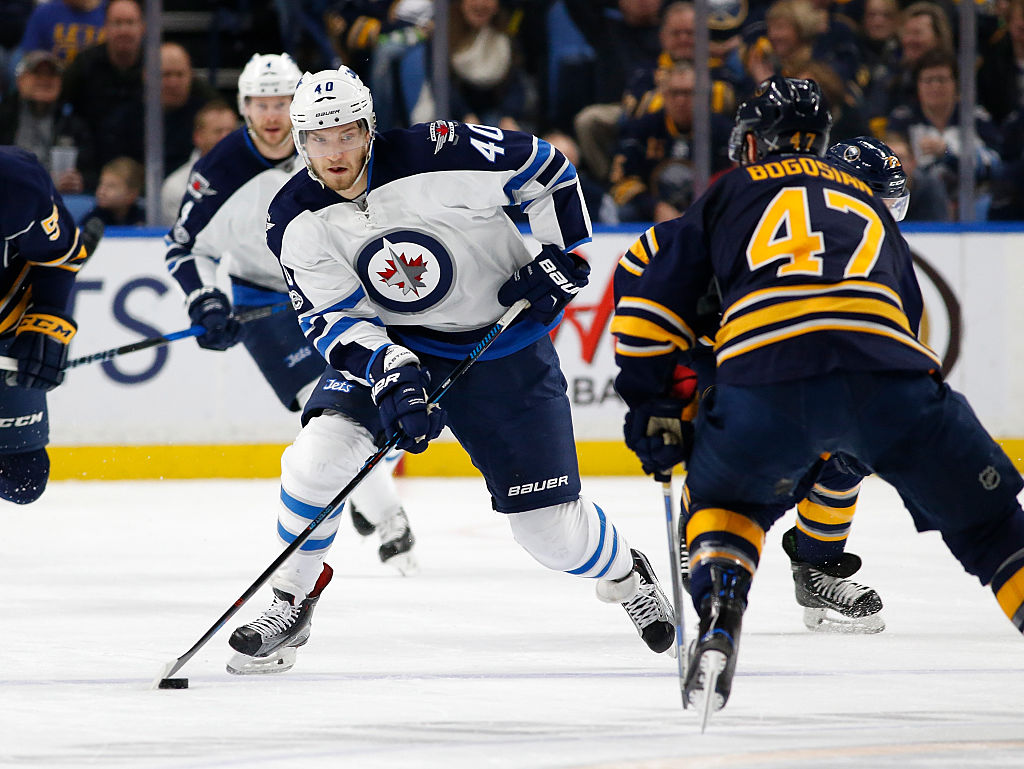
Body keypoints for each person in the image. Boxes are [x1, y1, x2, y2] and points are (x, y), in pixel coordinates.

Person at [225, 65, 676, 676]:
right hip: (404, 341)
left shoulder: (440, 150)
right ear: (300, 143)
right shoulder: (293, 215)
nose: (335, 153)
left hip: (504, 347)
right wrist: (389, 369)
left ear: (370, 129)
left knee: (550, 536)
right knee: (315, 459)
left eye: (348, 134)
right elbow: (331, 316)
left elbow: (547, 169)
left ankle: (625, 574)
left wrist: (559, 254)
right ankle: (290, 600)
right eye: (319, 138)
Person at [611, 75, 1024, 726]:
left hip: (763, 375)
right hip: (884, 378)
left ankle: (722, 607)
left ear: (754, 143)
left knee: (729, 501)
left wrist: (652, 402)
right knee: (991, 525)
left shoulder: (730, 191)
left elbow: (644, 293)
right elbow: (908, 327)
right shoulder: (865, 205)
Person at [163, 53, 418, 582]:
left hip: (338, 290)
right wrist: (205, 300)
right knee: (321, 406)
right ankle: (392, 519)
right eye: (260, 102)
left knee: (376, 398)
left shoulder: (330, 144)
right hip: (264, 296)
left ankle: (367, 495)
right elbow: (184, 247)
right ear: (244, 106)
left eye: (282, 101)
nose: (273, 113)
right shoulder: (217, 170)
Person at [0, 146, 97, 504]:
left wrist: (48, 321)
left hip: (7, 314)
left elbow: (59, 259)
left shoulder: (17, 184)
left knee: (23, 478)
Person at [57, 0, 144, 188]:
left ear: (142, 27)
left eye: (130, 23)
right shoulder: (84, 64)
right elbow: (58, 105)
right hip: (92, 168)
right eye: (117, 23)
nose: (124, 30)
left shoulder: (157, 66)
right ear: (105, 27)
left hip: (144, 168)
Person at [0, 49, 93, 195]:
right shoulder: (3, 117)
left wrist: (81, 180)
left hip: (58, 199)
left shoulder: (73, 123)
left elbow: (93, 169)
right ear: (20, 80)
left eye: (52, 74)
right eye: (37, 73)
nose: (45, 80)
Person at [159, 99, 239, 226]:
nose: (226, 138)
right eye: (218, 131)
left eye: (231, 131)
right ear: (198, 137)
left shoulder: (257, 178)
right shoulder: (177, 186)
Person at [81, 155, 145, 226]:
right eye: (101, 184)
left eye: (111, 186)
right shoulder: (93, 219)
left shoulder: (144, 218)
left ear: (131, 195)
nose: (101, 191)